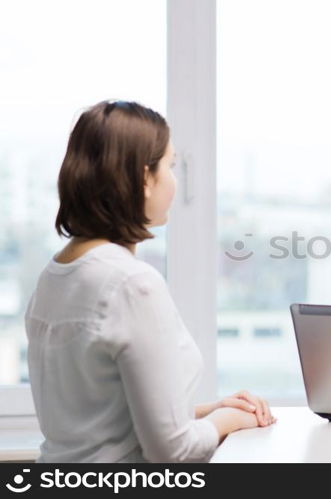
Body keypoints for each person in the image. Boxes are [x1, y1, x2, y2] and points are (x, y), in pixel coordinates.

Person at [25, 100, 275, 463]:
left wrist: (208, 411)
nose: (174, 180)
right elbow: (171, 452)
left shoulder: (56, 273)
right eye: (170, 166)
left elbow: (106, 425)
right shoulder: (129, 283)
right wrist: (229, 420)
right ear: (145, 178)